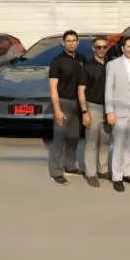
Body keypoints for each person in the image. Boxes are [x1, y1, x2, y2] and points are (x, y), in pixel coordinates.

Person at [105, 35, 130, 193]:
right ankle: (117, 177)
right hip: (120, 110)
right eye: (128, 46)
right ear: (123, 48)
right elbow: (109, 89)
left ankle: (126, 173)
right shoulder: (113, 65)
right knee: (119, 144)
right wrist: (110, 111)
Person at [47, 30, 84, 185]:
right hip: (63, 103)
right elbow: (53, 87)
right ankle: (56, 172)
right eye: (68, 41)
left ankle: (70, 166)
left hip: (77, 103)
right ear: (63, 43)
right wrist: (57, 109)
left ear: (77, 42)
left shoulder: (82, 59)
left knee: (73, 138)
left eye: (74, 40)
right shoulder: (57, 61)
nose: (71, 43)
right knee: (59, 140)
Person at [78, 35, 113, 187]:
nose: (102, 49)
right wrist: (85, 111)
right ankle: (90, 173)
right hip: (92, 107)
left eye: (104, 47)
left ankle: (103, 170)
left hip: (109, 108)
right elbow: (81, 90)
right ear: (93, 48)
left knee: (105, 141)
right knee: (91, 142)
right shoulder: (87, 66)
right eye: (98, 47)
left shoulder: (111, 65)